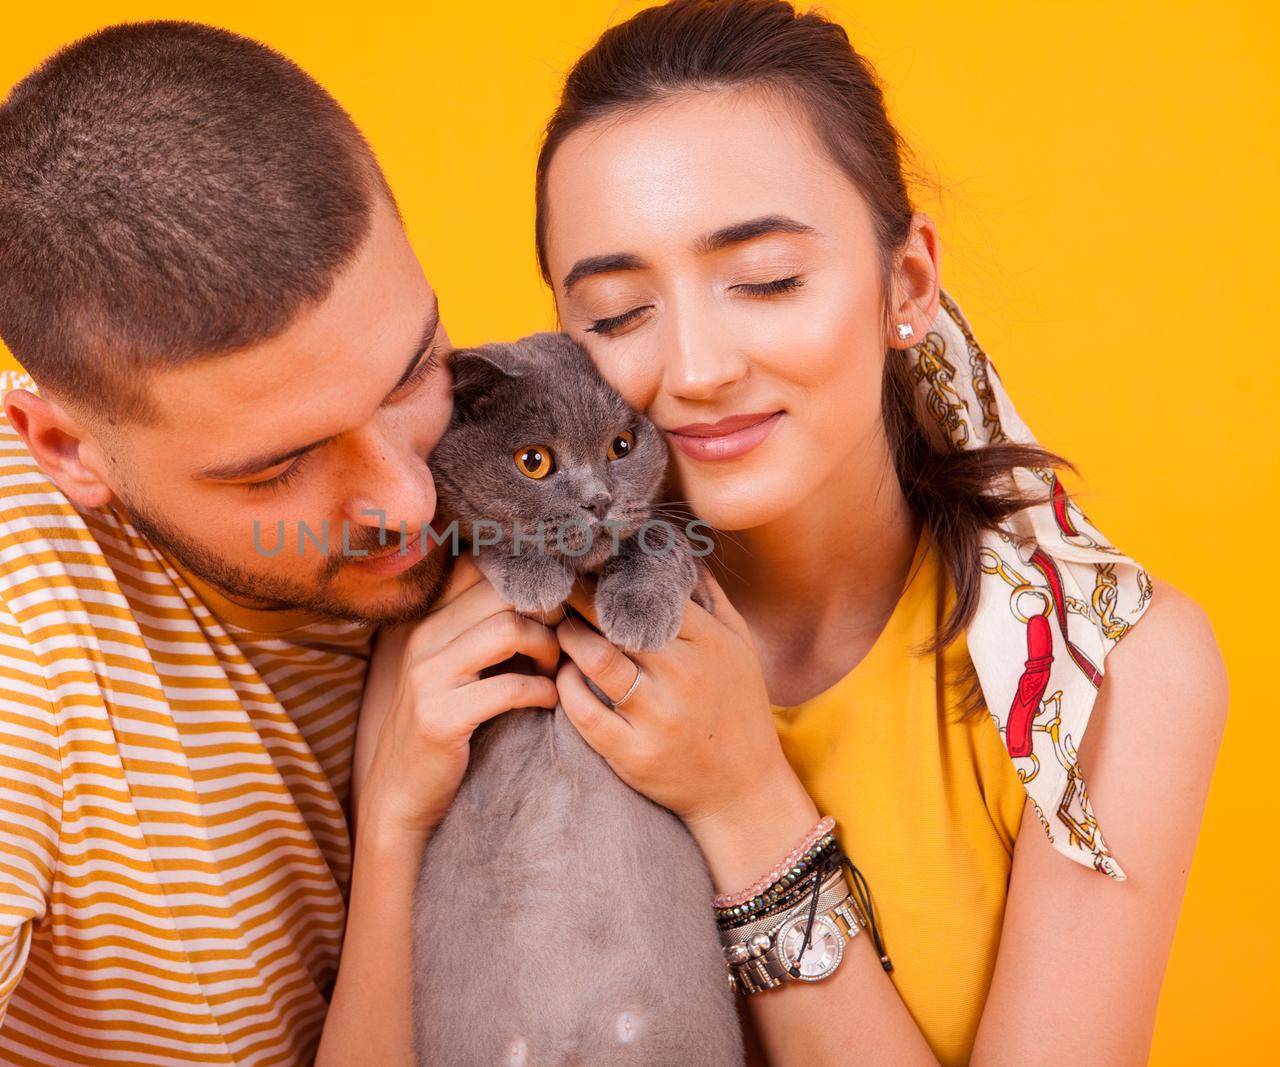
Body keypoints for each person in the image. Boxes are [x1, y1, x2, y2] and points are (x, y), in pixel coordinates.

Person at [0, 21, 557, 1066]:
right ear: (68, 449)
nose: (407, 498)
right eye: (278, 467)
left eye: (412, 369)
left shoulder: (522, 438)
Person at [519, 0, 1224, 1062]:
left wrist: (746, 801)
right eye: (618, 313)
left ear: (906, 283)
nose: (697, 368)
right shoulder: (522, 634)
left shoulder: (1101, 669)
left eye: (766, 281)